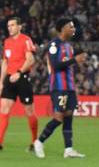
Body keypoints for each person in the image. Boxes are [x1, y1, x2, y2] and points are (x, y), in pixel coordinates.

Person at [33, 18, 87, 159]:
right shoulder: (54, 45)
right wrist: (75, 60)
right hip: (58, 86)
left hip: (69, 86)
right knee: (58, 118)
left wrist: (75, 61)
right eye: (71, 26)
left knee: (69, 115)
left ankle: (68, 149)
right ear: (63, 28)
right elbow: (56, 65)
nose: (74, 29)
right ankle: (39, 142)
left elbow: (67, 65)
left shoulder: (69, 46)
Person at [0, 17, 38, 152]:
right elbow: (5, 63)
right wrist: (1, 83)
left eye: (13, 25)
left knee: (29, 111)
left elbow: (30, 59)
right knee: (4, 108)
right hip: (9, 79)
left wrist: (19, 73)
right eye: (8, 26)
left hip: (22, 78)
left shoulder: (26, 40)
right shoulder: (7, 42)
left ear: (19, 27)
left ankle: (35, 141)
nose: (10, 28)